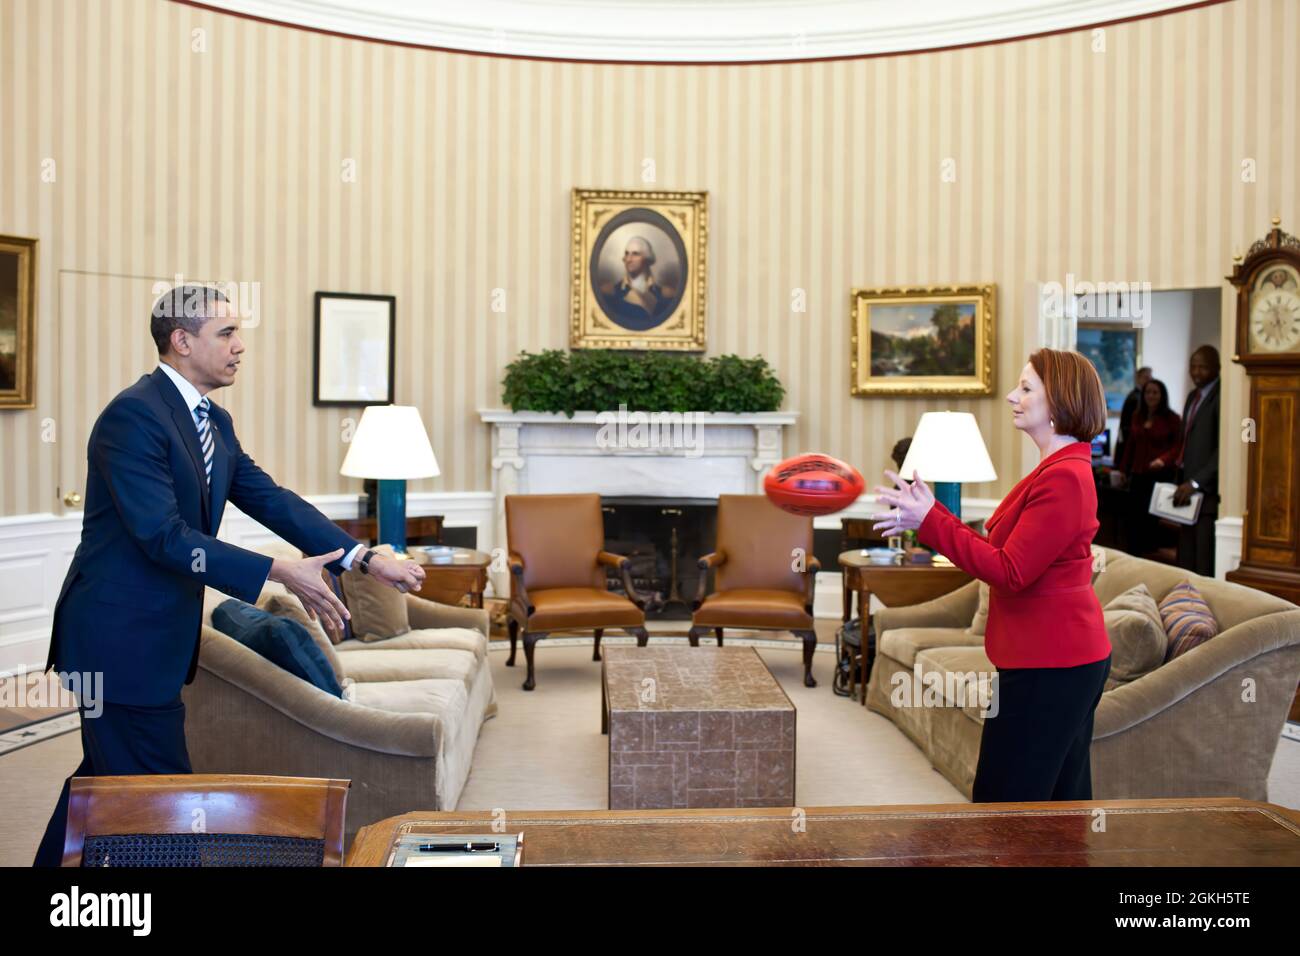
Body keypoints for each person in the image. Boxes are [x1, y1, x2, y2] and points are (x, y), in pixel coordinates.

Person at [32, 285, 425, 866]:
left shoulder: (211, 419)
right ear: (182, 341)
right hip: (117, 643)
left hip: (154, 641)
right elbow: (161, 536)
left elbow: (271, 499)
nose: (241, 346)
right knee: (159, 803)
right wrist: (277, 571)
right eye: (227, 334)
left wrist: (363, 559)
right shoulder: (133, 416)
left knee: (105, 784)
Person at [873, 347, 1112, 802]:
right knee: (1057, 808)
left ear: (1059, 402)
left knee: (1003, 812)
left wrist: (931, 521)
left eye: (1025, 388)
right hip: (1056, 660)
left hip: (1053, 664)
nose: (1010, 396)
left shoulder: (1063, 478)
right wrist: (931, 514)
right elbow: (1003, 552)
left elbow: (1009, 570)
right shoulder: (1057, 469)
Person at [1156, 345, 1220, 576]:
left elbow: (1223, 451)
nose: (1196, 372)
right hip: (1184, 488)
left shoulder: (1222, 396)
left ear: (1217, 368)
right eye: (1193, 366)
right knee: (1185, 560)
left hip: (1205, 492)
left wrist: (1195, 483)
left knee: (1202, 563)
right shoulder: (1193, 396)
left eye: (1202, 367)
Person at [1116, 377, 1181, 557]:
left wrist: (1163, 459)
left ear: (1162, 396)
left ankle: (1149, 555)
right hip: (1138, 474)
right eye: (1148, 392)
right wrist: (1122, 469)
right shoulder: (1137, 416)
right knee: (1134, 518)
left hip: (1159, 476)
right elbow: (1130, 445)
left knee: (1151, 521)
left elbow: (1178, 446)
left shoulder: (1172, 418)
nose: (1151, 396)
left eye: (1155, 392)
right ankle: (1134, 555)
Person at [598, 236, 678, 330]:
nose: (628, 259)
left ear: (647, 259)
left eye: (635, 254)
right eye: (627, 254)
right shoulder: (610, 292)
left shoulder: (665, 294)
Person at [1112, 365, 1152, 467]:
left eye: (1151, 378)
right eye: (1146, 378)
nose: (1149, 381)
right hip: (1130, 446)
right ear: (1138, 378)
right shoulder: (1136, 398)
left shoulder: (1134, 395)